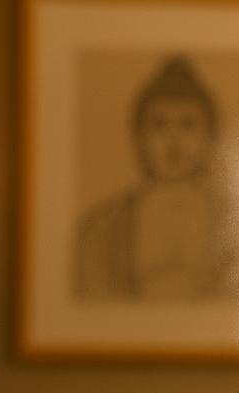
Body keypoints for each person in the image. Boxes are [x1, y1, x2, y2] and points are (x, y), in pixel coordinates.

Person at [75, 55, 228, 301]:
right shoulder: (101, 229)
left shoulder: (236, 226)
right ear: (139, 137)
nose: (174, 141)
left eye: (188, 124)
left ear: (210, 136)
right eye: (159, 125)